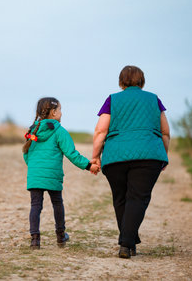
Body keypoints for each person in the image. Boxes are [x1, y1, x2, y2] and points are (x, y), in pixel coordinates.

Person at [92, 65, 170, 258]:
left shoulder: (113, 100)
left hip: (116, 156)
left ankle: (127, 243)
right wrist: (163, 154)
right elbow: (165, 132)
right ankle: (127, 242)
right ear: (142, 81)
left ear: (121, 81)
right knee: (137, 198)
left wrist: (95, 156)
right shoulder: (154, 100)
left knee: (120, 198)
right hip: (148, 156)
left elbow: (101, 131)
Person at [23, 97, 100, 250]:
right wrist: (88, 165)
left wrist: (34, 169)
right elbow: (71, 153)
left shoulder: (33, 130)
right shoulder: (59, 130)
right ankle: (60, 236)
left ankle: (35, 240)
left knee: (35, 205)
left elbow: (26, 153)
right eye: (59, 109)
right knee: (57, 202)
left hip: (34, 175)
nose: (61, 113)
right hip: (52, 176)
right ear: (53, 113)